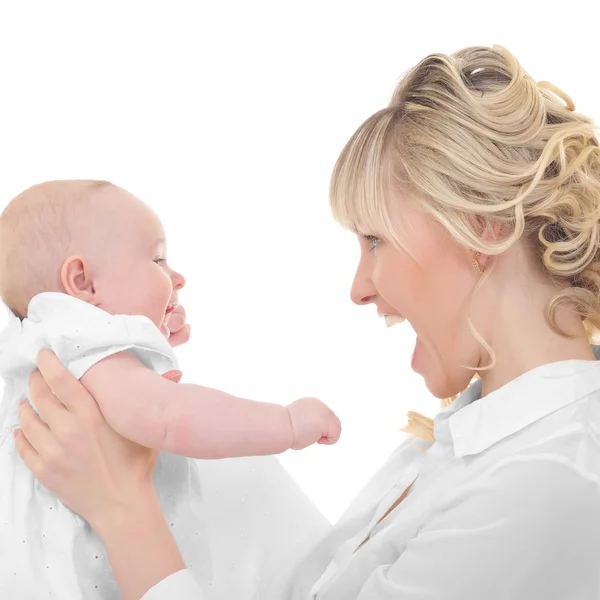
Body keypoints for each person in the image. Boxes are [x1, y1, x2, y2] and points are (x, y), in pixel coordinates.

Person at [14, 44, 600, 599]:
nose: (358, 288)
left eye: (375, 240)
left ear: (482, 227)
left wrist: (122, 510)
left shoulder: (543, 485)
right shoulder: (473, 443)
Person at [0, 181, 339, 599]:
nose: (177, 276)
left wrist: (142, 352)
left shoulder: (41, 345)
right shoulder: (90, 351)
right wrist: (285, 423)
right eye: (157, 259)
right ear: (83, 281)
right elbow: (168, 416)